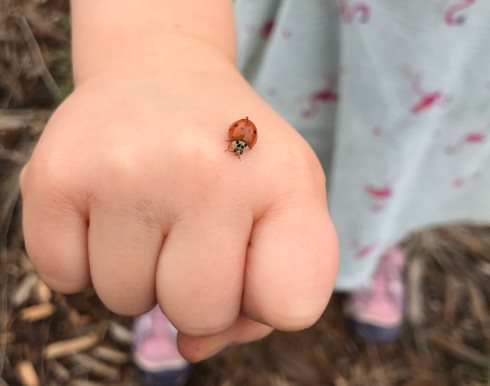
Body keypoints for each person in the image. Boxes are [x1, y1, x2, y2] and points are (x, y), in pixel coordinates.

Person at [20, 1, 490, 385]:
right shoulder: (239, 137)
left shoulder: (240, 138)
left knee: (392, 170)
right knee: (227, 184)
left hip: (447, 79)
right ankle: (181, 261)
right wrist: (150, 51)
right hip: (256, 42)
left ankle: (376, 240)